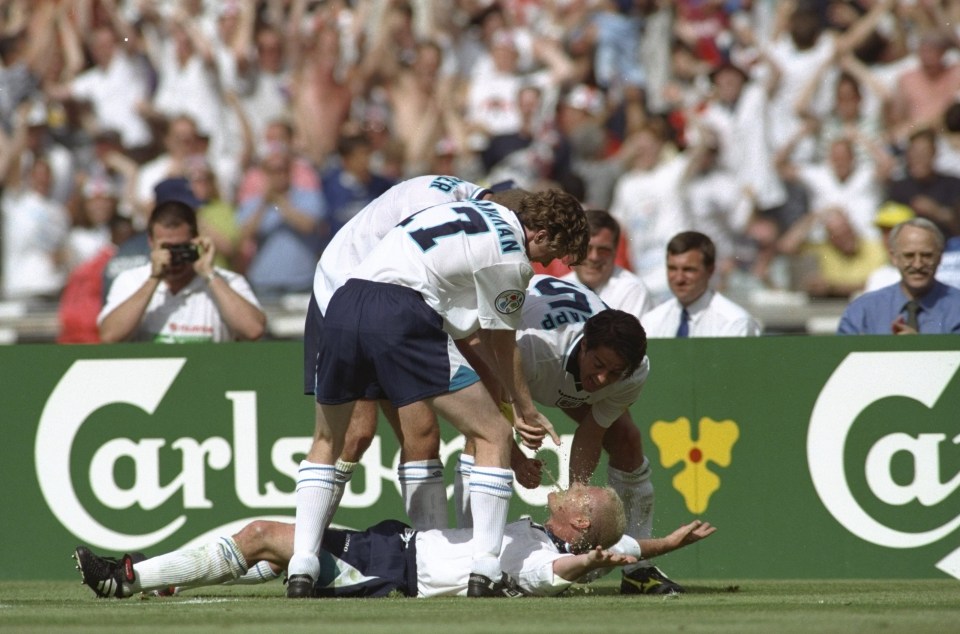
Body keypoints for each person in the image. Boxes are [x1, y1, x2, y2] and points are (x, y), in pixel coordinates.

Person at [288, 188, 588, 599]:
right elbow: (501, 343)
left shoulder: (467, 210)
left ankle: (302, 564)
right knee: (493, 435)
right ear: (540, 230)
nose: (547, 263)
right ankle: (485, 569)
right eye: (555, 250)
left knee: (328, 440)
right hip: (400, 312)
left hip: (344, 303)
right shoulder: (512, 258)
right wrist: (524, 409)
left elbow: (464, 324)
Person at [73, 483, 716, 599]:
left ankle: (124, 579)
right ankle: (166, 577)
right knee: (271, 544)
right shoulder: (551, 533)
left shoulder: (542, 553)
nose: (574, 486)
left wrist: (586, 562)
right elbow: (624, 551)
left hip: (393, 570)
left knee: (265, 536)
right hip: (395, 545)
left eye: (582, 495)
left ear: (578, 526)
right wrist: (665, 545)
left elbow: (557, 574)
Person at [457, 274, 681, 595]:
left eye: (615, 373)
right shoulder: (534, 351)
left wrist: (578, 497)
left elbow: (591, 432)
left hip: (557, 369)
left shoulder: (634, 372)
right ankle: (473, 559)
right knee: (479, 439)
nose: (603, 379)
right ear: (586, 344)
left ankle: (637, 570)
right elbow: (490, 410)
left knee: (627, 440)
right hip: (499, 351)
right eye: (599, 364)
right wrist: (518, 460)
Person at [307, 175, 494, 532]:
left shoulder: (468, 208)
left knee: (422, 433)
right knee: (355, 433)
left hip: (391, 305)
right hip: (344, 293)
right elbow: (465, 333)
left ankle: (431, 554)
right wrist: (504, 395)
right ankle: (304, 551)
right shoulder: (450, 217)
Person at [97, 200, 266, 343]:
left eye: (180, 247)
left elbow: (254, 330)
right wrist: (154, 279)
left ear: (196, 241)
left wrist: (209, 274)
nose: (174, 256)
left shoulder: (226, 281)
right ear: (151, 242)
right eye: (166, 248)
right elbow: (110, 335)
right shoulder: (132, 280)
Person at [837, 218, 960, 334]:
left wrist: (918, 347)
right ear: (894, 257)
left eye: (926, 255)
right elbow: (841, 354)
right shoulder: (863, 310)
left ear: (940, 257)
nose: (917, 265)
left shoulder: (956, 307)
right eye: (909, 256)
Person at [642, 232, 761, 338]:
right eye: (672, 269)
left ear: (710, 270)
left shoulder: (734, 323)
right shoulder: (652, 321)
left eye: (688, 270)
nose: (679, 278)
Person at [561, 209, 654, 320]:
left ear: (615, 253)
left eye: (603, 250)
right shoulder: (556, 290)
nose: (594, 257)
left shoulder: (632, 290)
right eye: (586, 248)